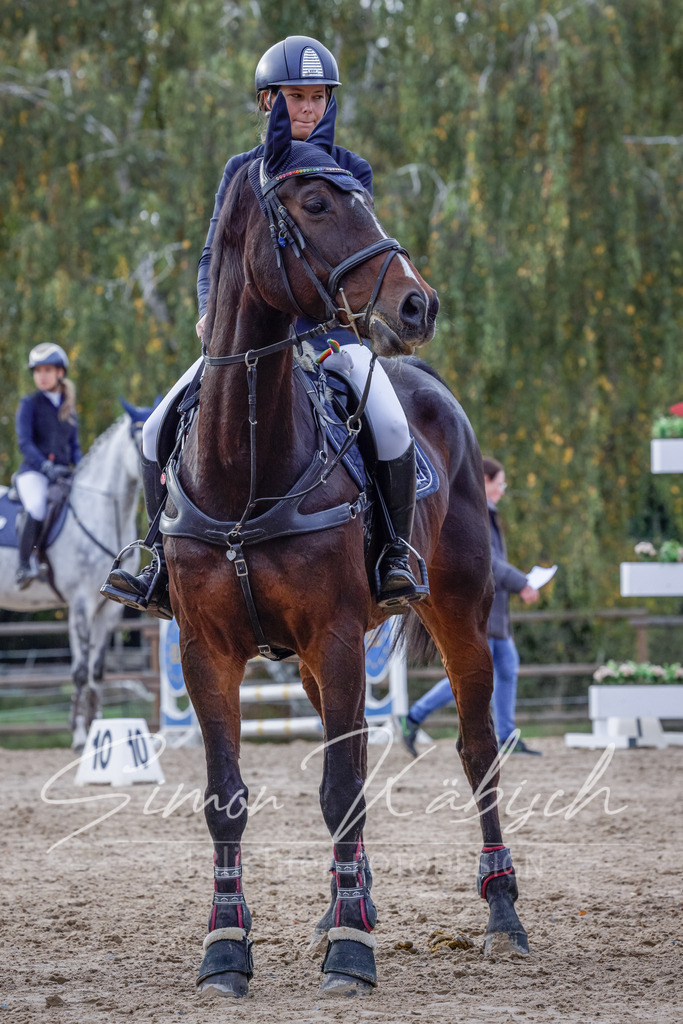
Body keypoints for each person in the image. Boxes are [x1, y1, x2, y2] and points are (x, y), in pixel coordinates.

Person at [104, 35, 426, 618]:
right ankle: (154, 561)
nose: (307, 109)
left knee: (391, 423)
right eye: (295, 97)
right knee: (155, 430)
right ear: (268, 102)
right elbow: (213, 257)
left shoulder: (348, 169)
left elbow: (347, 263)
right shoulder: (242, 173)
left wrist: (340, 327)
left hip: (328, 339)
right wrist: (209, 310)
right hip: (244, 344)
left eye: (318, 98)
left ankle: (395, 555)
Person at [399, 456, 542, 756]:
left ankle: (506, 736)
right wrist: (522, 583)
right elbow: (490, 562)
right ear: (486, 481)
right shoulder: (477, 514)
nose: (503, 490)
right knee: (471, 674)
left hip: (496, 612)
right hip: (482, 607)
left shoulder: (489, 513)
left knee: (506, 667)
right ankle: (415, 715)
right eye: (500, 483)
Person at [14, 343, 81, 588]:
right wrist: (45, 466)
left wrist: (82, 469)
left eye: (47, 370)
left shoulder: (69, 407)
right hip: (34, 473)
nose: (41, 376)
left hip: (62, 475)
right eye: (37, 371)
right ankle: (23, 565)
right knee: (37, 507)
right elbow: (25, 443)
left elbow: (75, 447)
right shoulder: (29, 404)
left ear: (59, 373)